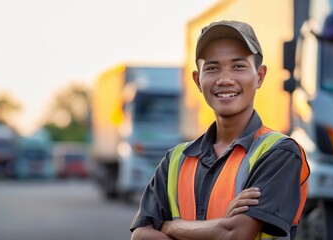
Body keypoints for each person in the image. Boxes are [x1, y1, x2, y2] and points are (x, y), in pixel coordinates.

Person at [130, 20, 310, 240]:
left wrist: (171, 227)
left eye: (238, 66)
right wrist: (220, 226)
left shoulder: (280, 153)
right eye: (213, 68)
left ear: (260, 76)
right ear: (198, 80)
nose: (225, 80)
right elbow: (140, 236)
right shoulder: (175, 161)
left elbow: (235, 234)